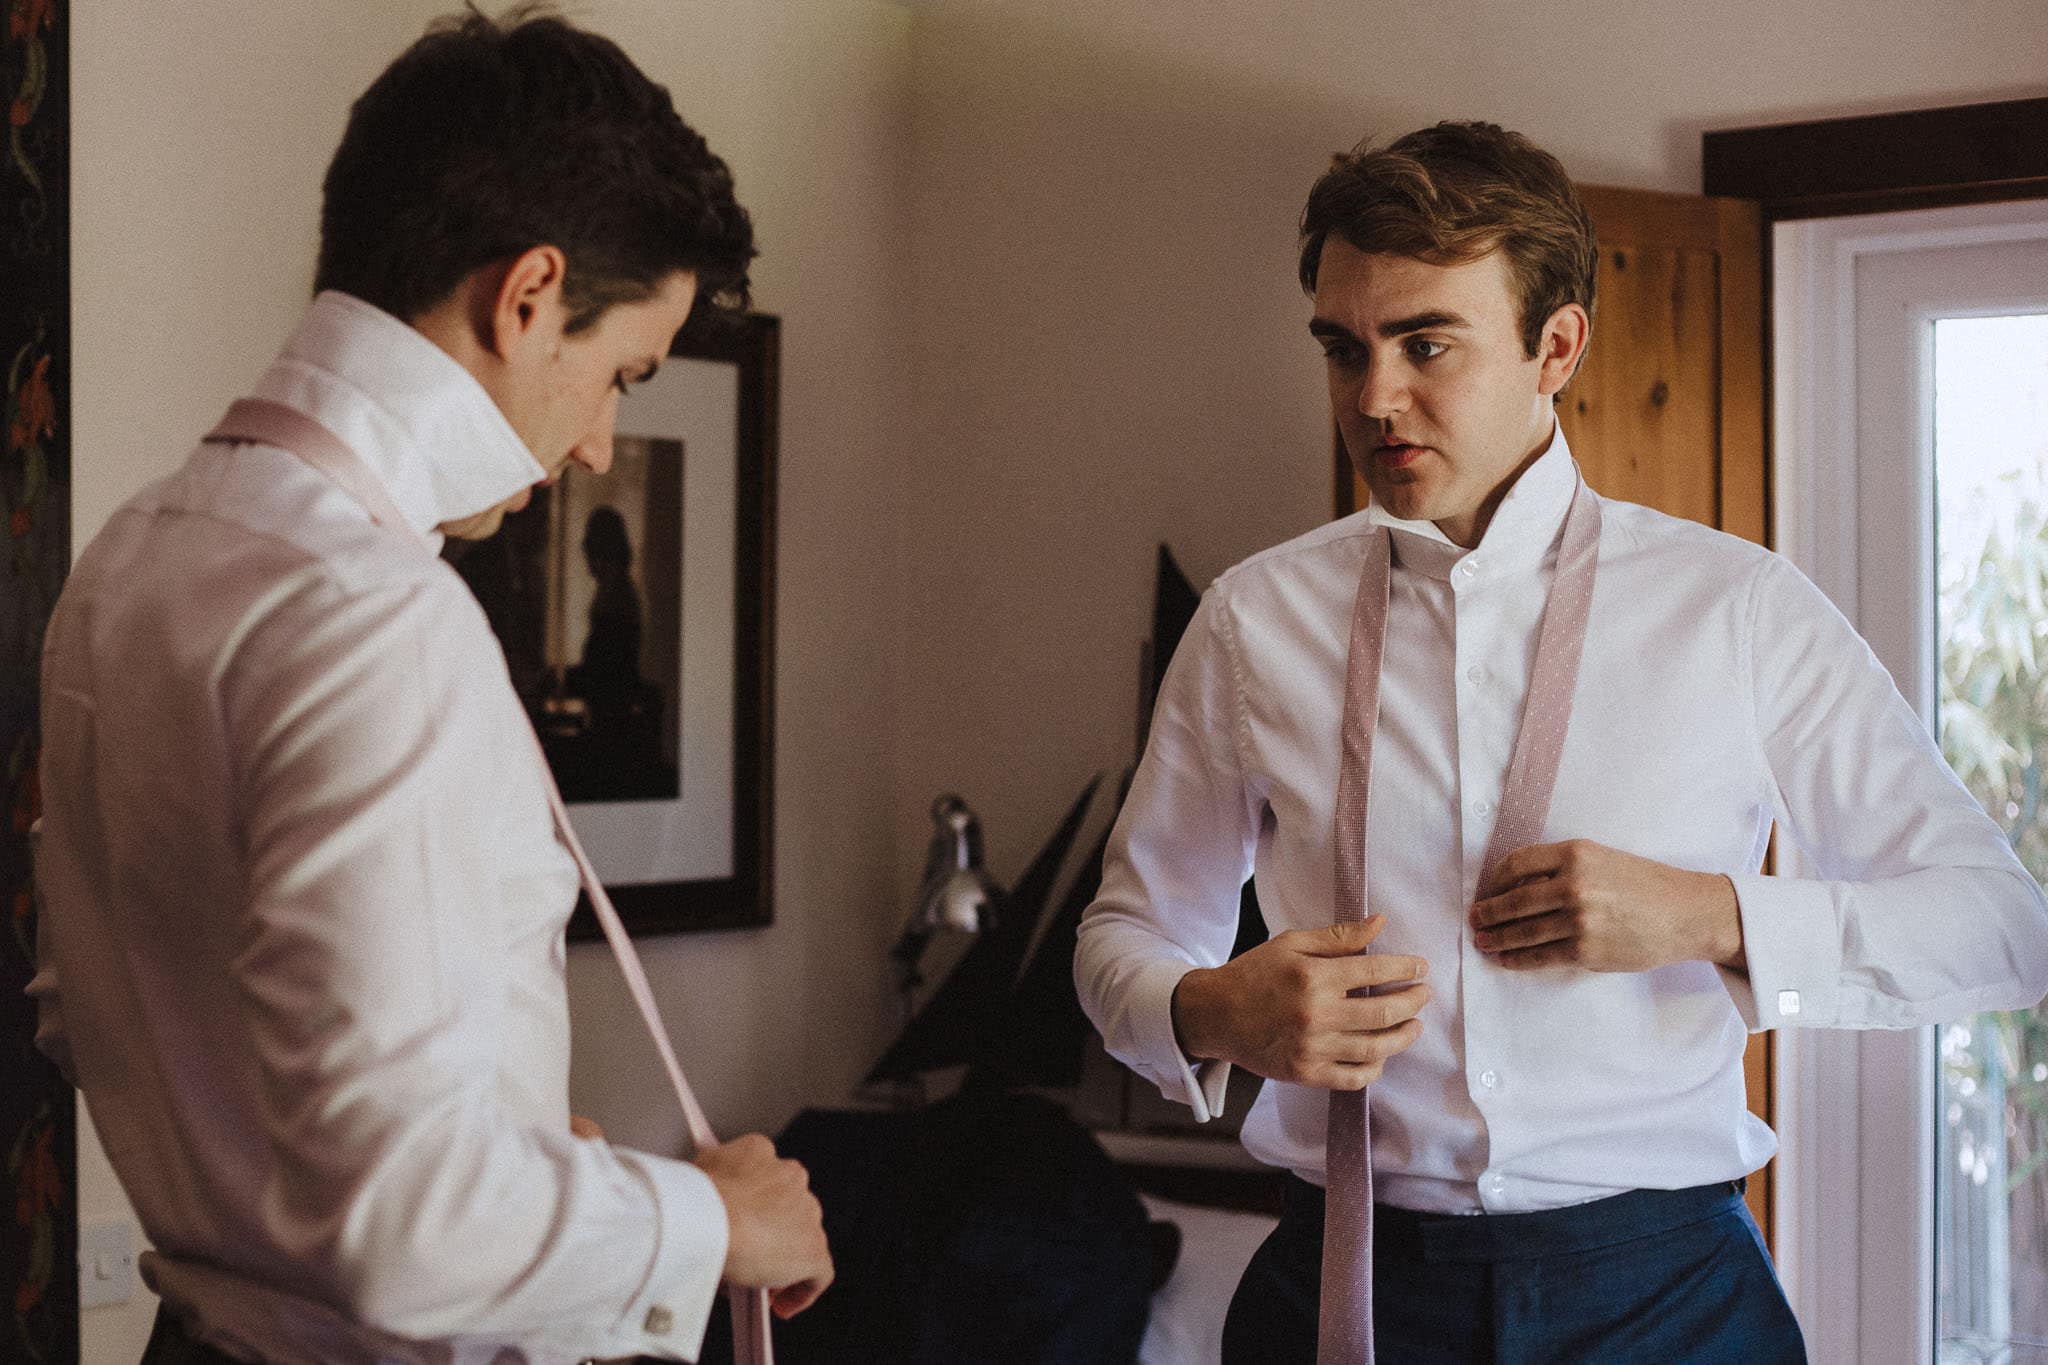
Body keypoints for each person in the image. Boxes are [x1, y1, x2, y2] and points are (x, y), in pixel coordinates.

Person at [1074, 120, 2048, 1363]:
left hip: (1666, 1301)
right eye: (1342, 348)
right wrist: (1211, 1008)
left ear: (1555, 346)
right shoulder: (1252, 621)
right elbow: (1121, 934)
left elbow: (1999, 926)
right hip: (1344, 1292)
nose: (1372, 399)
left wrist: (1710, 916)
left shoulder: (1736, 610)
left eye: (1425, 344)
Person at [29, 10, 830, 1363]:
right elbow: (402, 1221)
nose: (596, 447)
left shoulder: (129, 559)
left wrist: (517, 1161)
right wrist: (710, 1221)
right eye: (623, 373)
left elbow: (91, 1013)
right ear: (526, 296)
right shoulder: (378, 617)